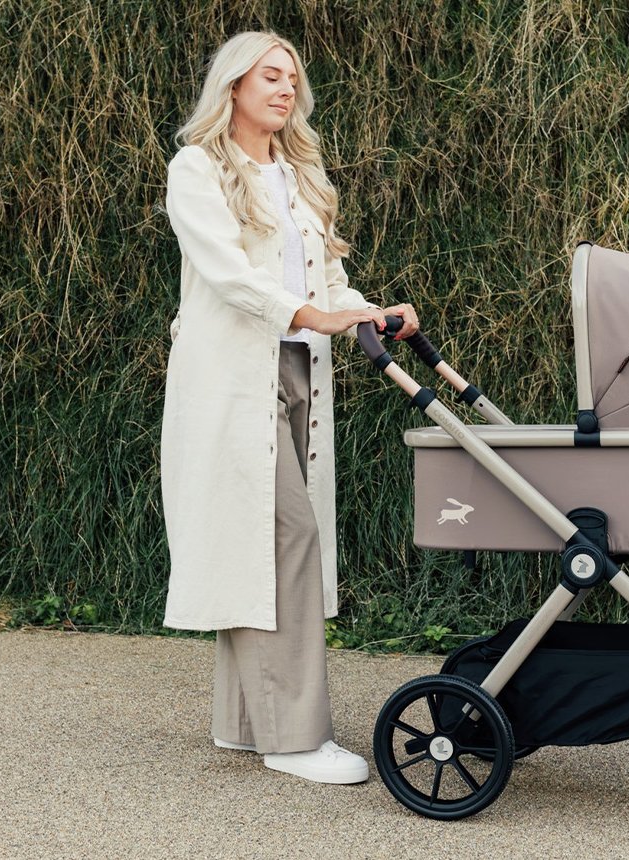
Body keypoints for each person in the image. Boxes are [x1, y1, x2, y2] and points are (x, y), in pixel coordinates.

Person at [155, 31, 420, 784]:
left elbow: (326, 281)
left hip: (299, 369)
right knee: (284, 538)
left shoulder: (300, 173)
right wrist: (315, 316)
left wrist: (367, 311)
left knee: (258, 542)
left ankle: (245, 724)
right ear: (233, 85)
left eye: (293, 78)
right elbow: (230, 277)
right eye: (270, 75)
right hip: (232, 378)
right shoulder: (197, 169)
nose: (285, 88)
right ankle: (294, 738)